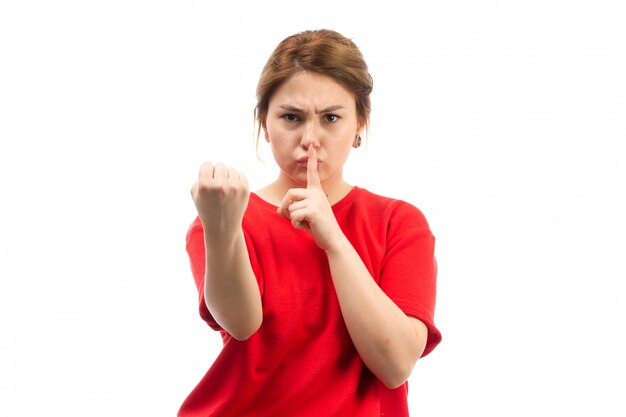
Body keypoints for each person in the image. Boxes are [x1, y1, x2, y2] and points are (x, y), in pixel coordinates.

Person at [179, 29, 441, 417]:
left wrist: (333, 238)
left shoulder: (398, 223)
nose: (310, 140)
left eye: (331, 118)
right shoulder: (227, 218)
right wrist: (222, 229)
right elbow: (240, 322)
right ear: (264, 124)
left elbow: (396, 363)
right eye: (291, 117)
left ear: (360, 125)